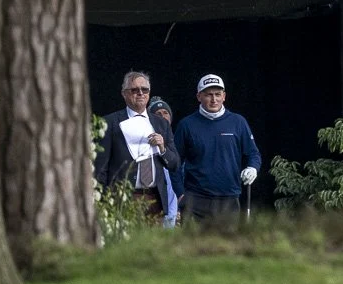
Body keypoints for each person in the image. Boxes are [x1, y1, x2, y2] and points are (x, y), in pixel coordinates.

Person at [175, 73, 261, 224]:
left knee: (228, 240)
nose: (214, 99)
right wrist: (180, 193)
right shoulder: (186, 125)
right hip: (195, 200)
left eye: (217, 94)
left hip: (229, 198)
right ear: (199, 96)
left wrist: (253, 167)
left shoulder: (238, 122)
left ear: (224, 96)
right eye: (208, 95)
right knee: (192, 240)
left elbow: (253, 154)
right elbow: (174, 163)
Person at [96, 70, 181, 223]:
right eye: (135, 90)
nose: (140, 93)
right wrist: (103, 202)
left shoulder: (161, 123)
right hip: (123, 201)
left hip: (155, 200)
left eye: (145, 89)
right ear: (124, 94)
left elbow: (175, 164)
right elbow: (101, 168)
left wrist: (163, 149)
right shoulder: (110, 123)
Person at [146, 96, 183, 228]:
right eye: (158, 113)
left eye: (165, 113)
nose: (162, 116)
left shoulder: (177, 142)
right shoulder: (145, 143)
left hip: (174, 203)